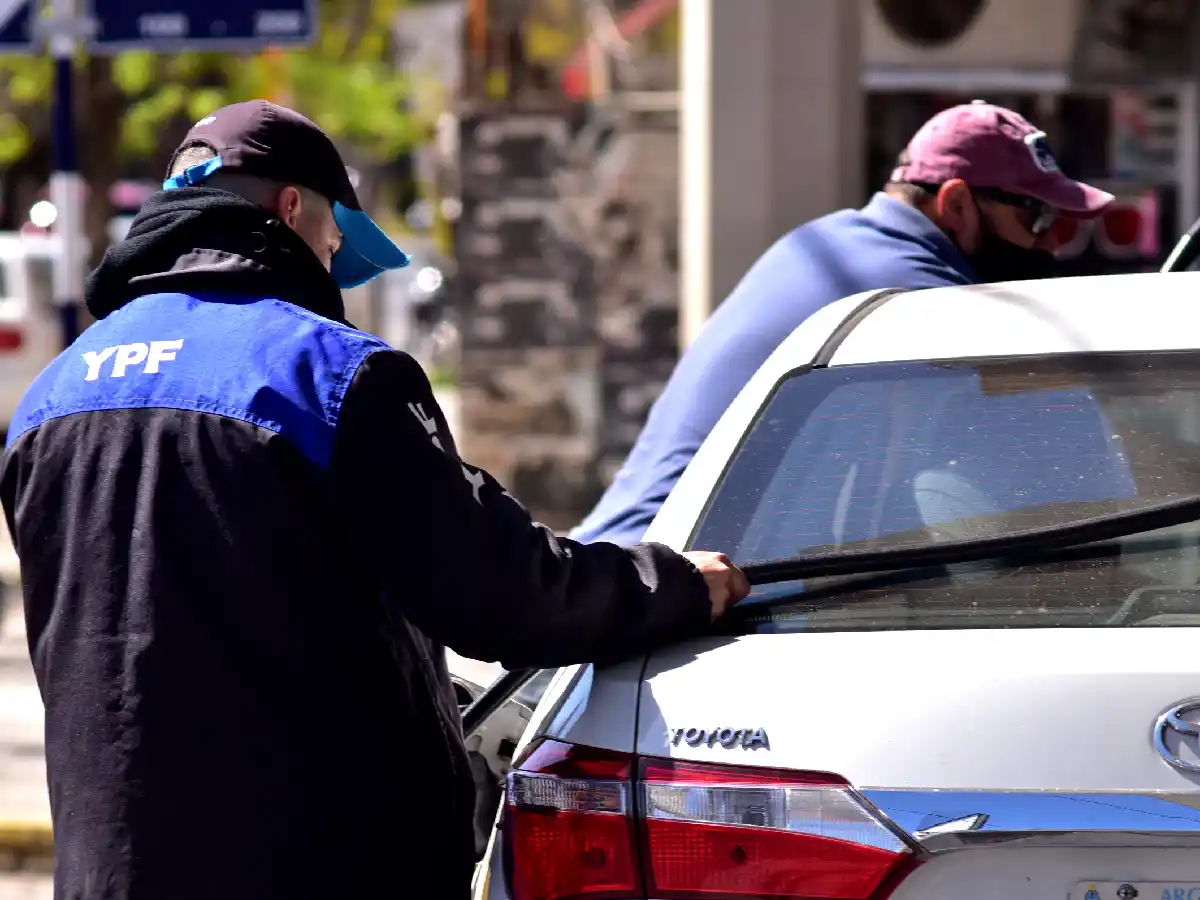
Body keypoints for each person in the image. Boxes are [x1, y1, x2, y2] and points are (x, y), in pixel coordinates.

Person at [0, 100, 750, 900]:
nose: (332, 269)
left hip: (108, 871)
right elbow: (497, 592)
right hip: (316, 864)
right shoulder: (331, 374)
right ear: (291, 209)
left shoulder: (51, 397)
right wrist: (672, 585)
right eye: (333, 243)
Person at [571, 99, 1117, 546]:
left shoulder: (827, 243)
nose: (1052, 244)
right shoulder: (910, 297)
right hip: (655, 599)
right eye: (1039, 220)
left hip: (626, 567)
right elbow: (1054, 466)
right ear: (955, 204)